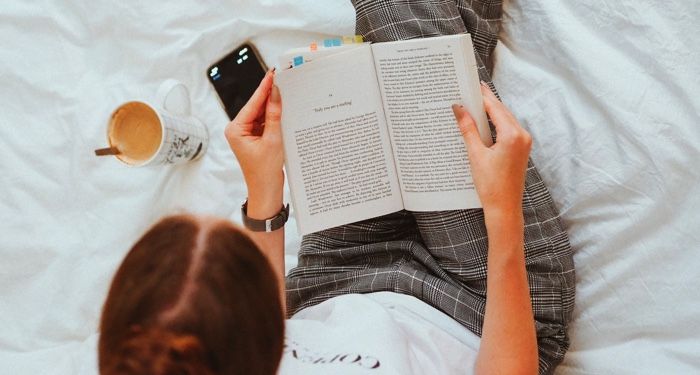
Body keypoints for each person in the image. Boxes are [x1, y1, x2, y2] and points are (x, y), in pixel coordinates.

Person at [99, 1, 575, 374]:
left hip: (335, 277)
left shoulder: (159, 360)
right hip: (482, 304)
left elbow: (270, 326)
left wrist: (264, 191)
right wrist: (501, 208)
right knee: (413, 39)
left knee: (370, 66)